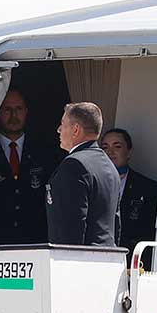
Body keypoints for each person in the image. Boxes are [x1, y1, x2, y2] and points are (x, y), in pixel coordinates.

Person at [0, 88, 64, 245]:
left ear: (26, 112)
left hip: (35, 242)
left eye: (18, 109)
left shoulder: (44, 151)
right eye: (7, 109)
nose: (14, 116)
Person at [47, 102, 121, 247]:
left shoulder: (73, 165)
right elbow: (115, 225)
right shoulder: (109, 166)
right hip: (109, 259)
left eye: (63, 124)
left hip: (82, 262)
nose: (59, 129)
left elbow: (69, 227)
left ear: (75, 130)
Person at [100, 128, 157, 254]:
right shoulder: (92, 182)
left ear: (129, 152)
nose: (110, 152)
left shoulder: (146, 187)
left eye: (117, 146)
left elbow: (148, 231)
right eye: (105, 147)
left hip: (132, 257)